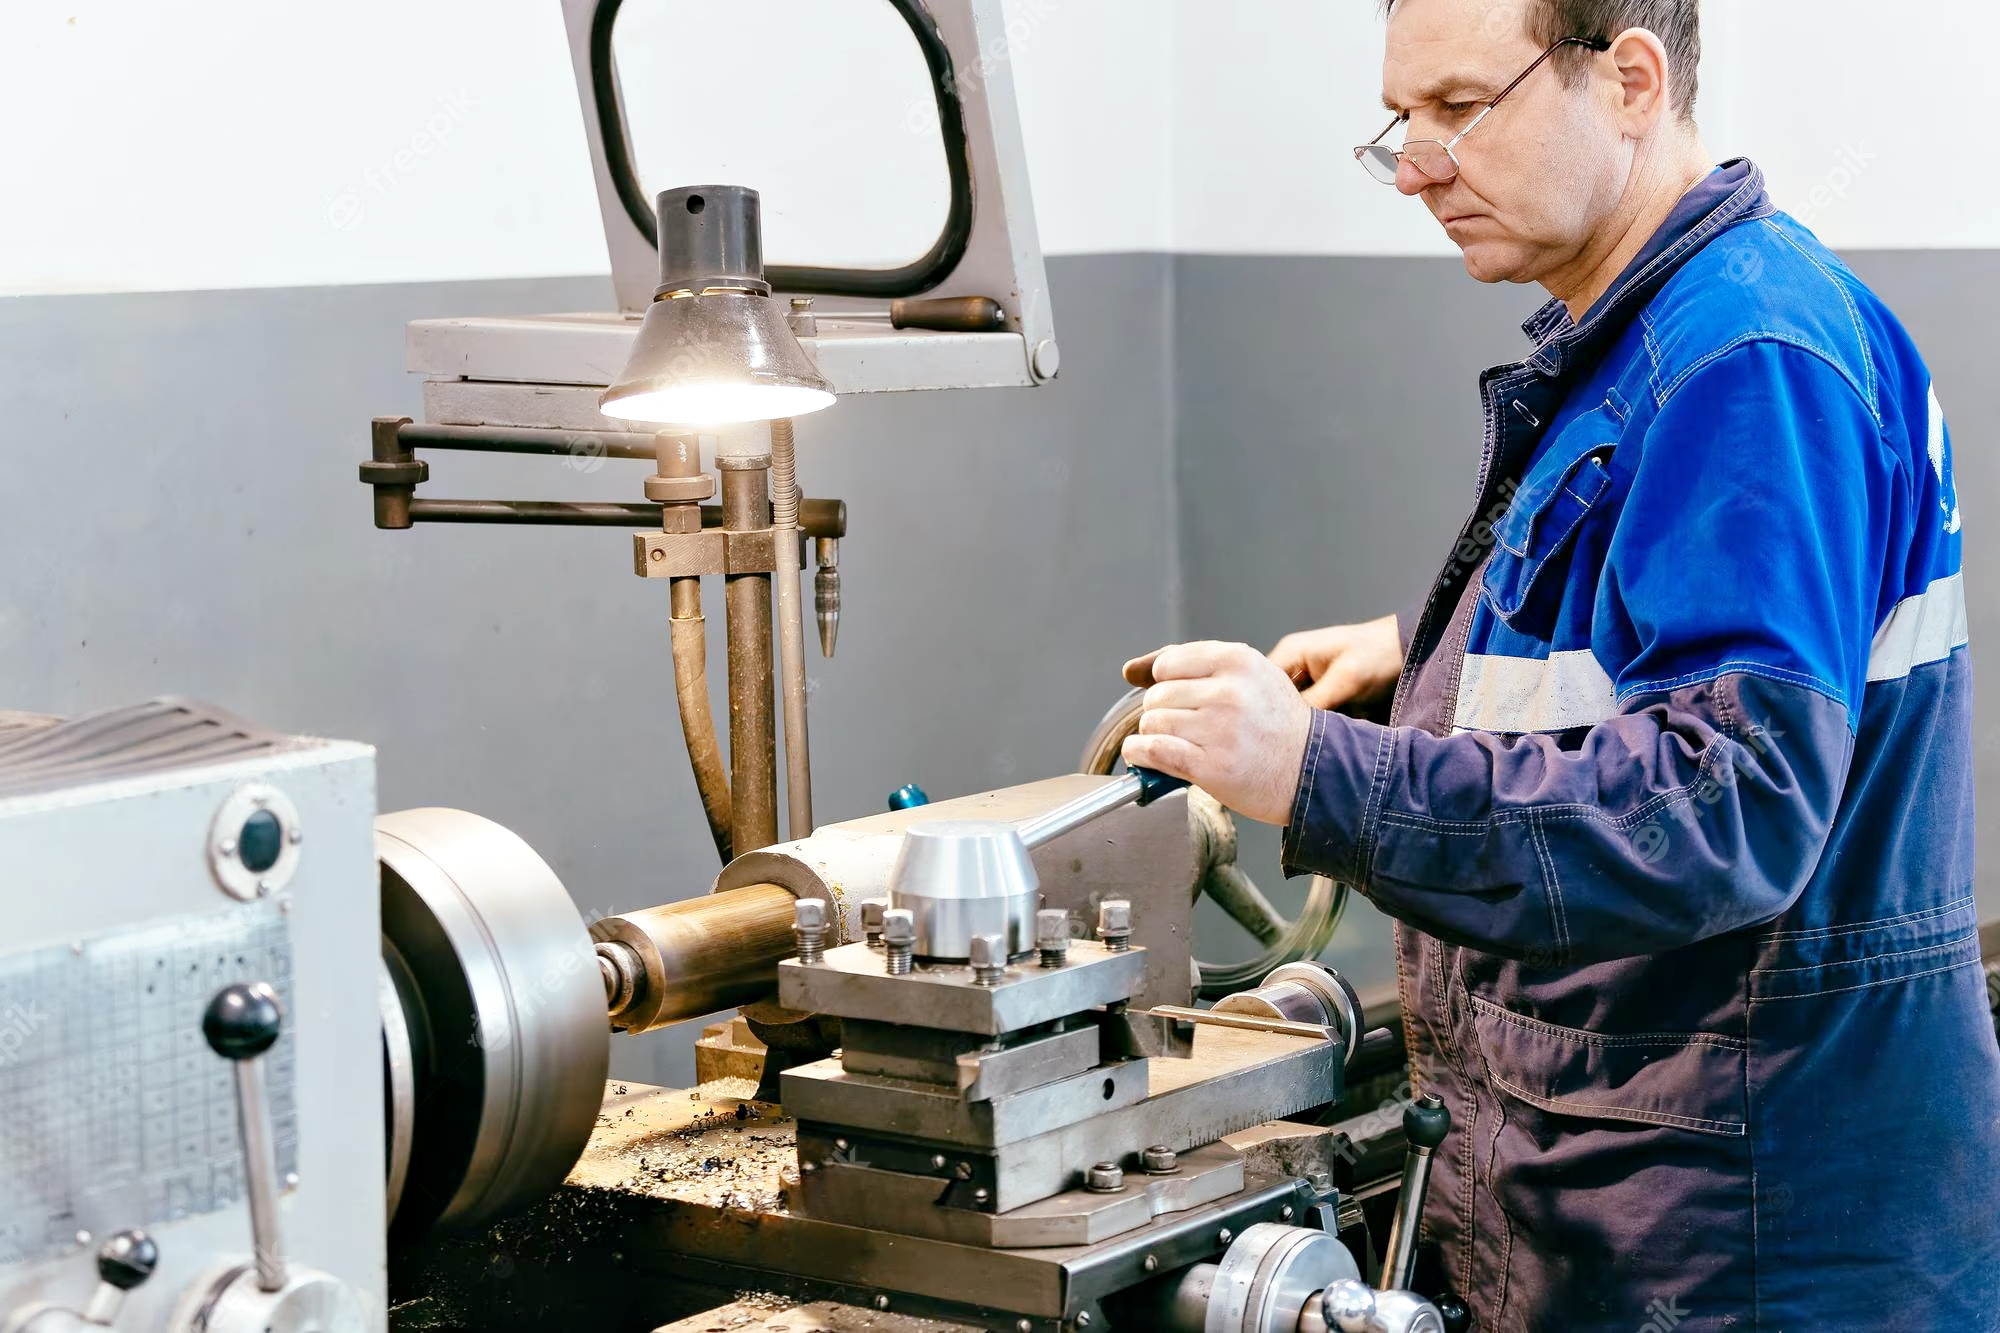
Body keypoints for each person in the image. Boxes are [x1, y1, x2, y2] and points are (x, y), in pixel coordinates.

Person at [1120, 1, 2000, 1328]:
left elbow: (1729, 804)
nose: (1416, 168)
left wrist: (1319, 774)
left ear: (1630, 79)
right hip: (1668, 1204)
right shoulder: (1678, 330)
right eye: (1400, 121)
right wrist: (1428, 660)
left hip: (1742, 1245)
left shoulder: (1746, 361)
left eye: (1460, 108)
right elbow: (1674, 635)